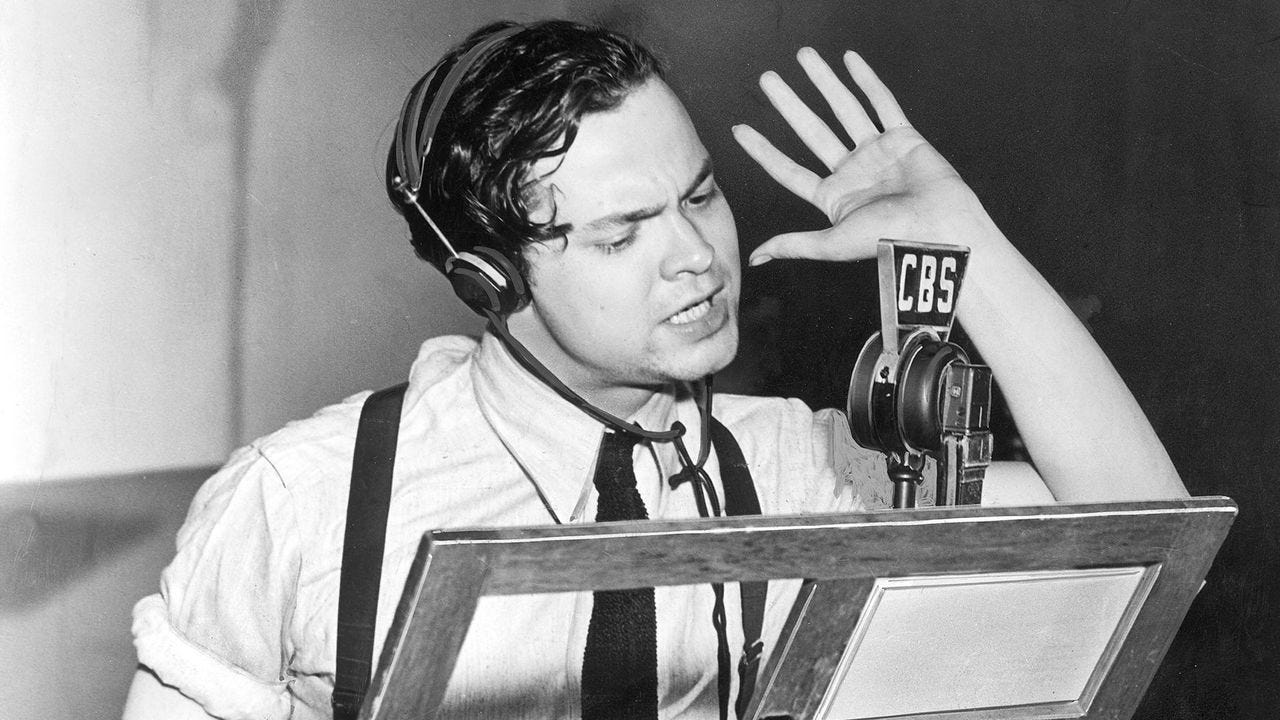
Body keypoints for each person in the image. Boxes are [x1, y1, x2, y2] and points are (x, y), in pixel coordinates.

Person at [122, 19, 1187, 720]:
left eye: (699, 196)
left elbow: (1142, 535)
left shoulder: (799, 467)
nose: (696, 256)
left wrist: (970, 253)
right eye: (622, 232)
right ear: (490, 279)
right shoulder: (303, 505)